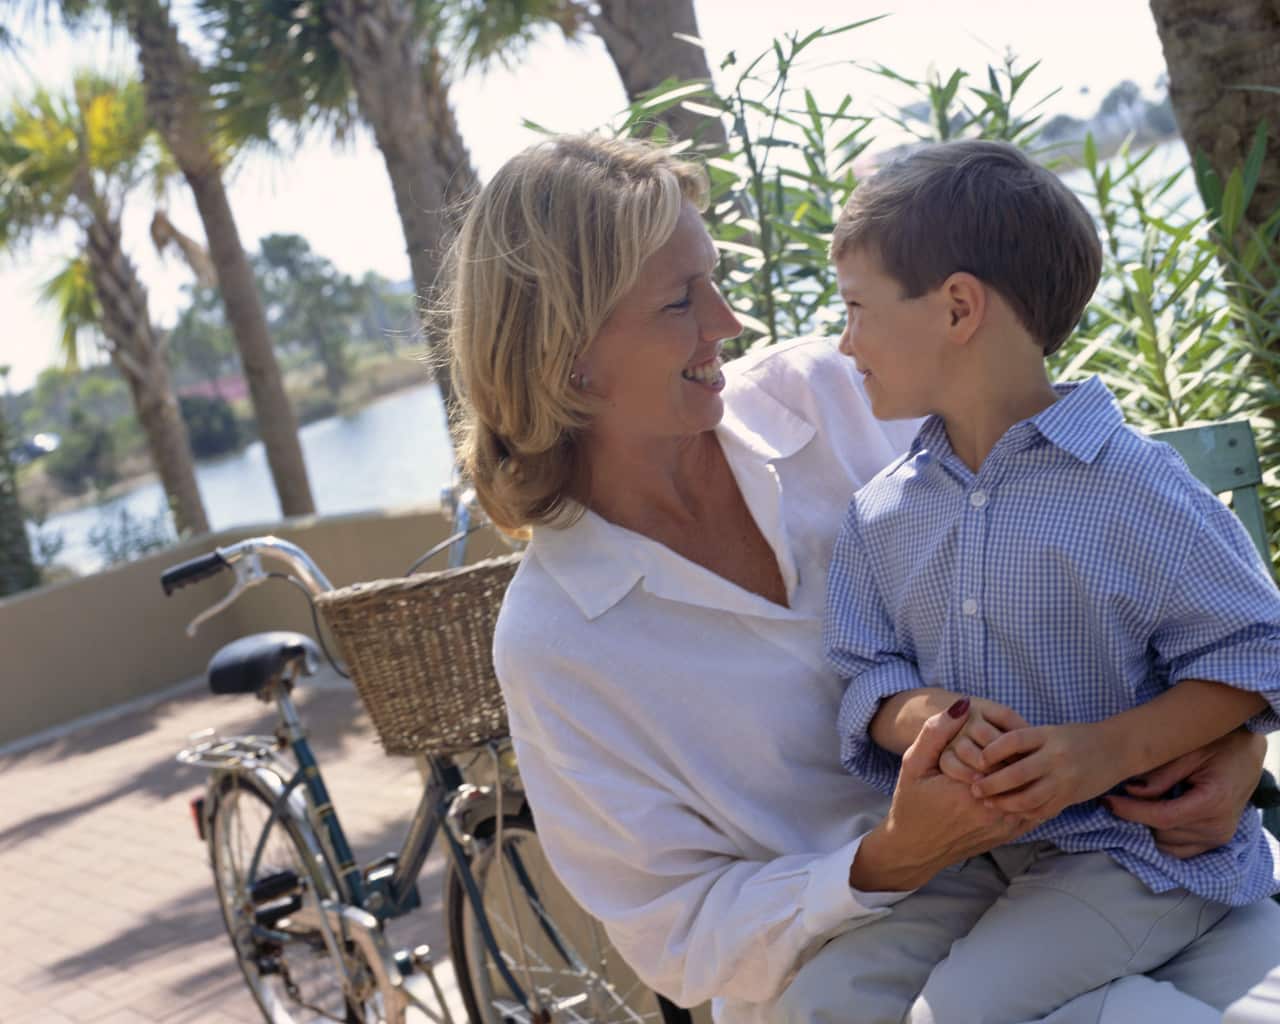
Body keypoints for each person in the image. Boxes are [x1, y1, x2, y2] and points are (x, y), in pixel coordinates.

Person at [441, 132, 1280, 1024]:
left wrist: (1224, 754)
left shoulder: (840, 390)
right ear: (567, 349)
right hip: (850, 969)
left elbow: (1148, 569)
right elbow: (677, 935)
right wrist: (891, 857)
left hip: (1111, 861)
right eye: (681, 300)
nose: (727, 321)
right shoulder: (555, 639)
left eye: (716, 278)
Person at [823, 138, 1280, 1024]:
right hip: (977, 857)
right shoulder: (880, 513)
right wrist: (922, 717)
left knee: (954, 1011)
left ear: (958, 307)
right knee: (820, 997)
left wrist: (1098, 755)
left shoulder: (1133, 486)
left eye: (855, 309)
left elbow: (1257, 650)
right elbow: (863, 666)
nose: (844, 342)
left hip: (1134, 855)